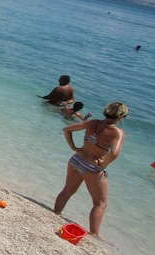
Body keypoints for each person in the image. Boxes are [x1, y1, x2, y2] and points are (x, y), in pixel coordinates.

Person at [54, 101, 128, 237]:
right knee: (100, 204)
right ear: (120, 116)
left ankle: (55, 213)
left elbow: (67, 129)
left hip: (77, 160)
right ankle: (94, 234)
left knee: (67, 191)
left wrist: (74, 147)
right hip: (92, 168)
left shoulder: (92, 123)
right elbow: (114, 153)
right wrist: (103, 165)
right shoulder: (117, 133)